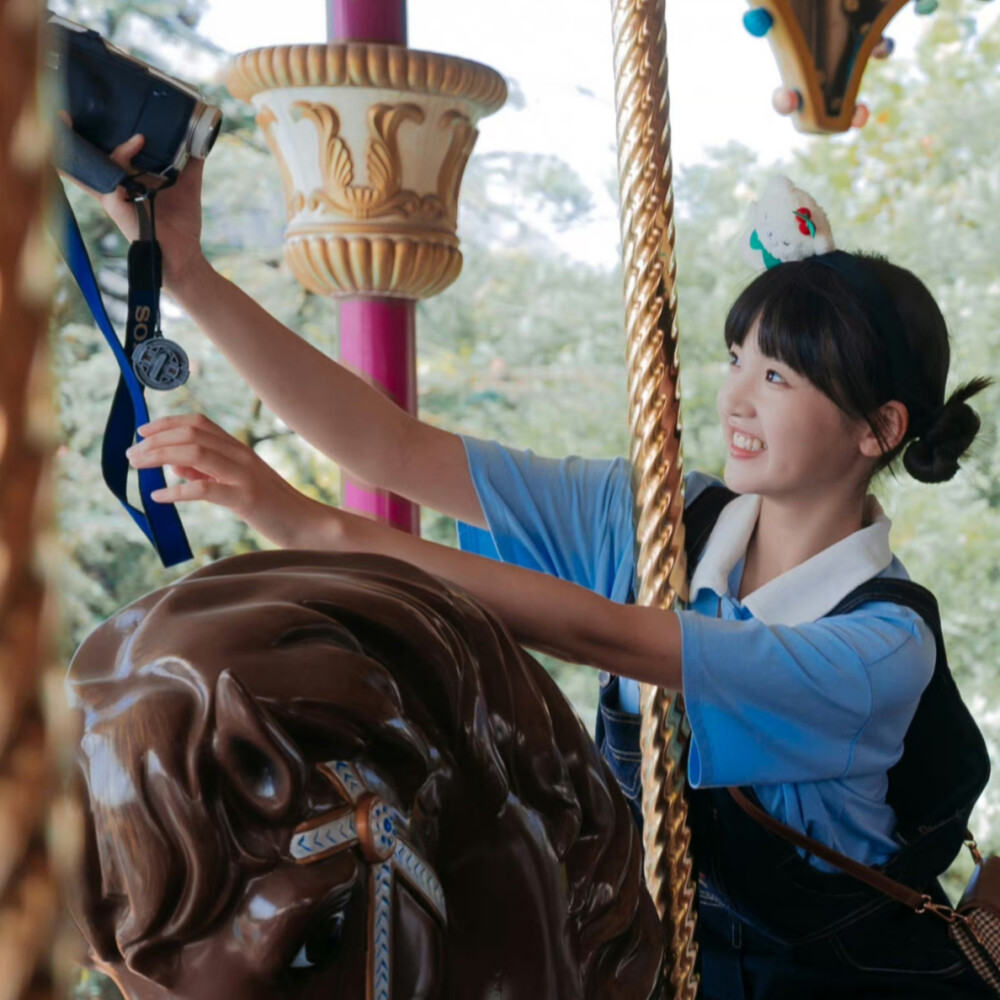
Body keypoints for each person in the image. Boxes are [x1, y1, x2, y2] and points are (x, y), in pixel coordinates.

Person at [78, 139, 993, 997]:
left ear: (880, 429)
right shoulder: (656, 519)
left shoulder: (881, 645)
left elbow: (602, 633)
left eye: (780, 378)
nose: (735, 398)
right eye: (735, 360)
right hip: (630, 943)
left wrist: (306, 524)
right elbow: (390, 446)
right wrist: (185, 270)